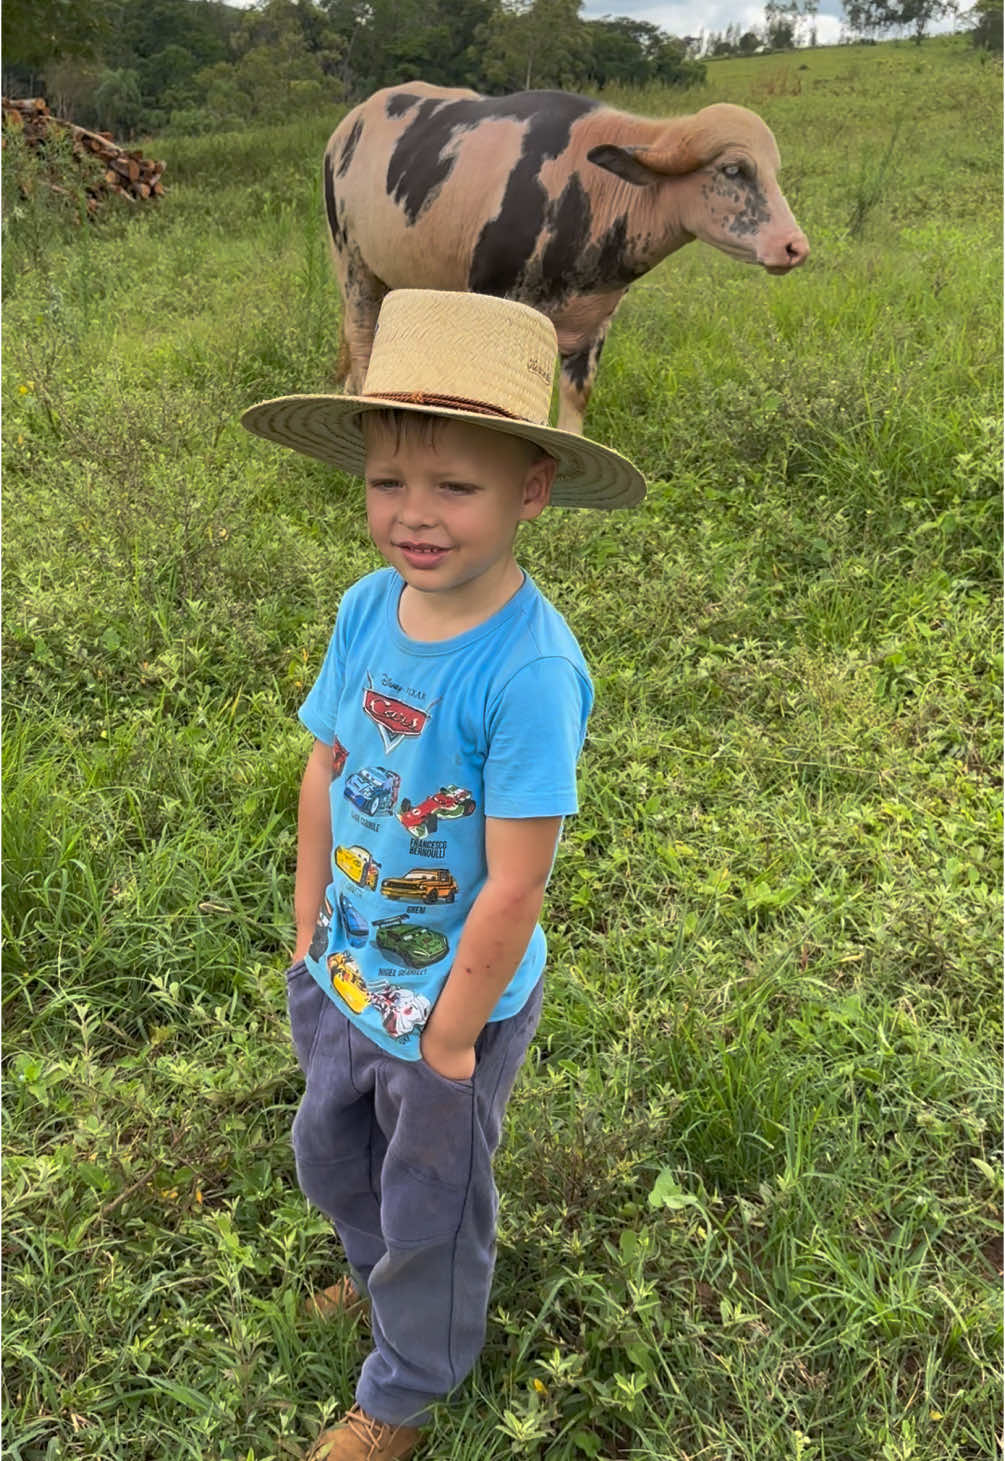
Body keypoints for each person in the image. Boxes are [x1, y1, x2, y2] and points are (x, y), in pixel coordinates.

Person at [241, 290, 645, 1461]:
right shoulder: (368, 607)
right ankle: (375, 1277)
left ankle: (408, 1384)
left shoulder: (528, 671)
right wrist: (312, 910)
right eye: (388, 484)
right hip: (345, 963)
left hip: (450, 1006)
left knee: (435, 1200)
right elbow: (326, 764)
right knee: (332, 1151)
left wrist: (457, 1034)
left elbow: (517, 884)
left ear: (531, 489)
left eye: (455, 488)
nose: (414, 517)